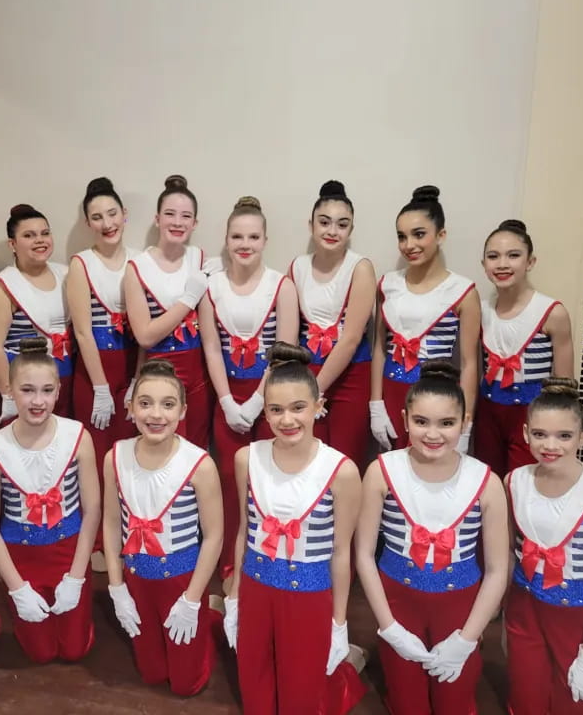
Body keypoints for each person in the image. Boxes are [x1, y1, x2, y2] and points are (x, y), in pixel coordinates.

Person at [355, 360, 509, 715]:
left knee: (453, 703)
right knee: (407, 704)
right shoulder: (381, 471)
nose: (433, 434)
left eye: (446, 423)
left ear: (465, 422)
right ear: (405, 418)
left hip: (460, 607)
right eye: (421, 422)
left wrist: (467, 638)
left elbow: (498, 570)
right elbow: (363, 554)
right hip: (398, 601)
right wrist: (389, 627)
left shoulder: (486, 481)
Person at [224, 342, 367, 715]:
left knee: (300, 703)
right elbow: (243, 532)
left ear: (319, 406)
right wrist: (234, 598)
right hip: (256, 588)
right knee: (256, 703)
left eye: (298, 407)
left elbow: (341, 553)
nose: (287, 420)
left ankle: (348, 666)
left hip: (310, 595)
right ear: (265, 411)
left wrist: (339, 623)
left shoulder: (342, 471)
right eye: (276, 410)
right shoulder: (246, 458)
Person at [505, 379, 583, 714]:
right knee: (526, 695)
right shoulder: (514, 481)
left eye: (564, 436)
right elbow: (508, 553)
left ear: (582, 438)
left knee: (574, 699)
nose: (551, 445)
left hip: (577, 615)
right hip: (523, 605)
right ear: (526, 433)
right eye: (540, 434)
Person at [102, 359, 223, 696]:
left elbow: (214, 536)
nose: (156, 414)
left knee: (186, 685)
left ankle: (208, 615)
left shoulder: (199, 465)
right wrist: (117, 588)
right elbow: (110, 524)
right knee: (152, 674)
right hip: (136, 579)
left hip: (181, 581)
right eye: (145, 403)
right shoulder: (115, 457)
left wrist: (192, 599)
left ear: (183, 411)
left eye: (168, 405)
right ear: (130, 408)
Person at [0, 337, 99, 664]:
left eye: (47, 390)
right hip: (21, 557)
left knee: (74, 650)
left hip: (68, 552)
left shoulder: (78, 437)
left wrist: (76, 576)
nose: (37, 401)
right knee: (40, 654)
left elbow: (92, 511)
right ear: (10, 390)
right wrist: (17, 587)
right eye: (27, 390)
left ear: (59, 391)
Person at [200, 195, 298, 587]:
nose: (245, 244)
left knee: (271, 481)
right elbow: (211, 347)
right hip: (229, 398)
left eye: (253, 237)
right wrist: (227, 402)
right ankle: (231, 567)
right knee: (230, 482)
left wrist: (259, 402)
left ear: (265, 240)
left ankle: (268, 561)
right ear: (226, 240)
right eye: (237, 236)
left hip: (270, 398)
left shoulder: (282, 286)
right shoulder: (211, 287)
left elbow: (284, 350)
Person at [370, 185, 480, 453]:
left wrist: (465, 425)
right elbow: (379, 348)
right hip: (392, 391)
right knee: (394, 470)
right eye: (402, 236)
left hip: (437, 398)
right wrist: (376, 404)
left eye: (419, 234)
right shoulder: (387, 284)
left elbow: (469, 364)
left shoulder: (463, 291)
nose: (409, 245)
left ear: (441, 235)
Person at [473, 220, 574, 477]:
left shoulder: (551, 312)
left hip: (533, 415)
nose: (502, 264)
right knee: (488, 481)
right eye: (493, 256)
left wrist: (561, 434)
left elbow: (565, 386)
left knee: (525, 483)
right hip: (488, 413)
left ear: (530, 262)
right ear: (484, 264)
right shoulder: (480, 311)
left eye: (513, 255)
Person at [289, 180, 376, 470]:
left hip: (350, 375)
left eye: (342, 225)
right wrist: (302, 387)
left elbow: (351, 338)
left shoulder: (360, 267)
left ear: (351, 230)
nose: (332, 231)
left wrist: (315, 390)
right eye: (324, 222)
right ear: (311, 225)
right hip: (307, 372)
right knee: (306, 459)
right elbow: (292, 332)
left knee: (344, 461)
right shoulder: (297, 266)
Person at [124, 175, 213, 447]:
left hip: (199, 377)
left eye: (186, 216)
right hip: (159, 377)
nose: (177, 222)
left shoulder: (198, 258)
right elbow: (145, 336)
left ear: (195, 223)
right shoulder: (137, 268)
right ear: (157, 219)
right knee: (162, 450)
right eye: (170, 214)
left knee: (195, 451)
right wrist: (188, 299)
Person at [67, 176, 140, 465]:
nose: (107, 224)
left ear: (125, 215)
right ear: (88, 223)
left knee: (131, 453)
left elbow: (146, 330)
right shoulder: (81, 263)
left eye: (112, 214)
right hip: (95, 369)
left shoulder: (140, 259)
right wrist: (100, 388)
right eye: (97, 218)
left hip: (132, 364)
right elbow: (83, 333)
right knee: (97, 455)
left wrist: (138, 379)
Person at [0, 204, 73, 424]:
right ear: (12, 244)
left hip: (65, 378)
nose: (40, 240)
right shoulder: (2, 287)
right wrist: (8, 395)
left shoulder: (66, 274)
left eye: (45, 233)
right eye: (29, 235)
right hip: (25, 386)